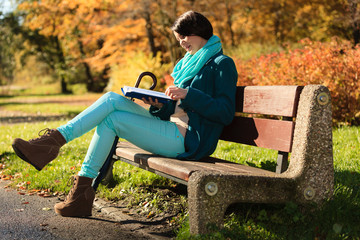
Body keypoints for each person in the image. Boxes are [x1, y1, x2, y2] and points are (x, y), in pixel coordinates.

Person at [12, 11, 238, 217]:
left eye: (183, 37)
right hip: (169, 127)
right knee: (111, 100)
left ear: (198, 32)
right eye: (178, 38)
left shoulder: (221, 64)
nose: (181, 43)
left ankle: (76, 189)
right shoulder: (188, 63)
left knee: (113, 120)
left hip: (187, 140)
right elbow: (174, 107)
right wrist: (157, 103)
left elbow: (225, 112)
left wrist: (188, 94)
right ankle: (53, 145)